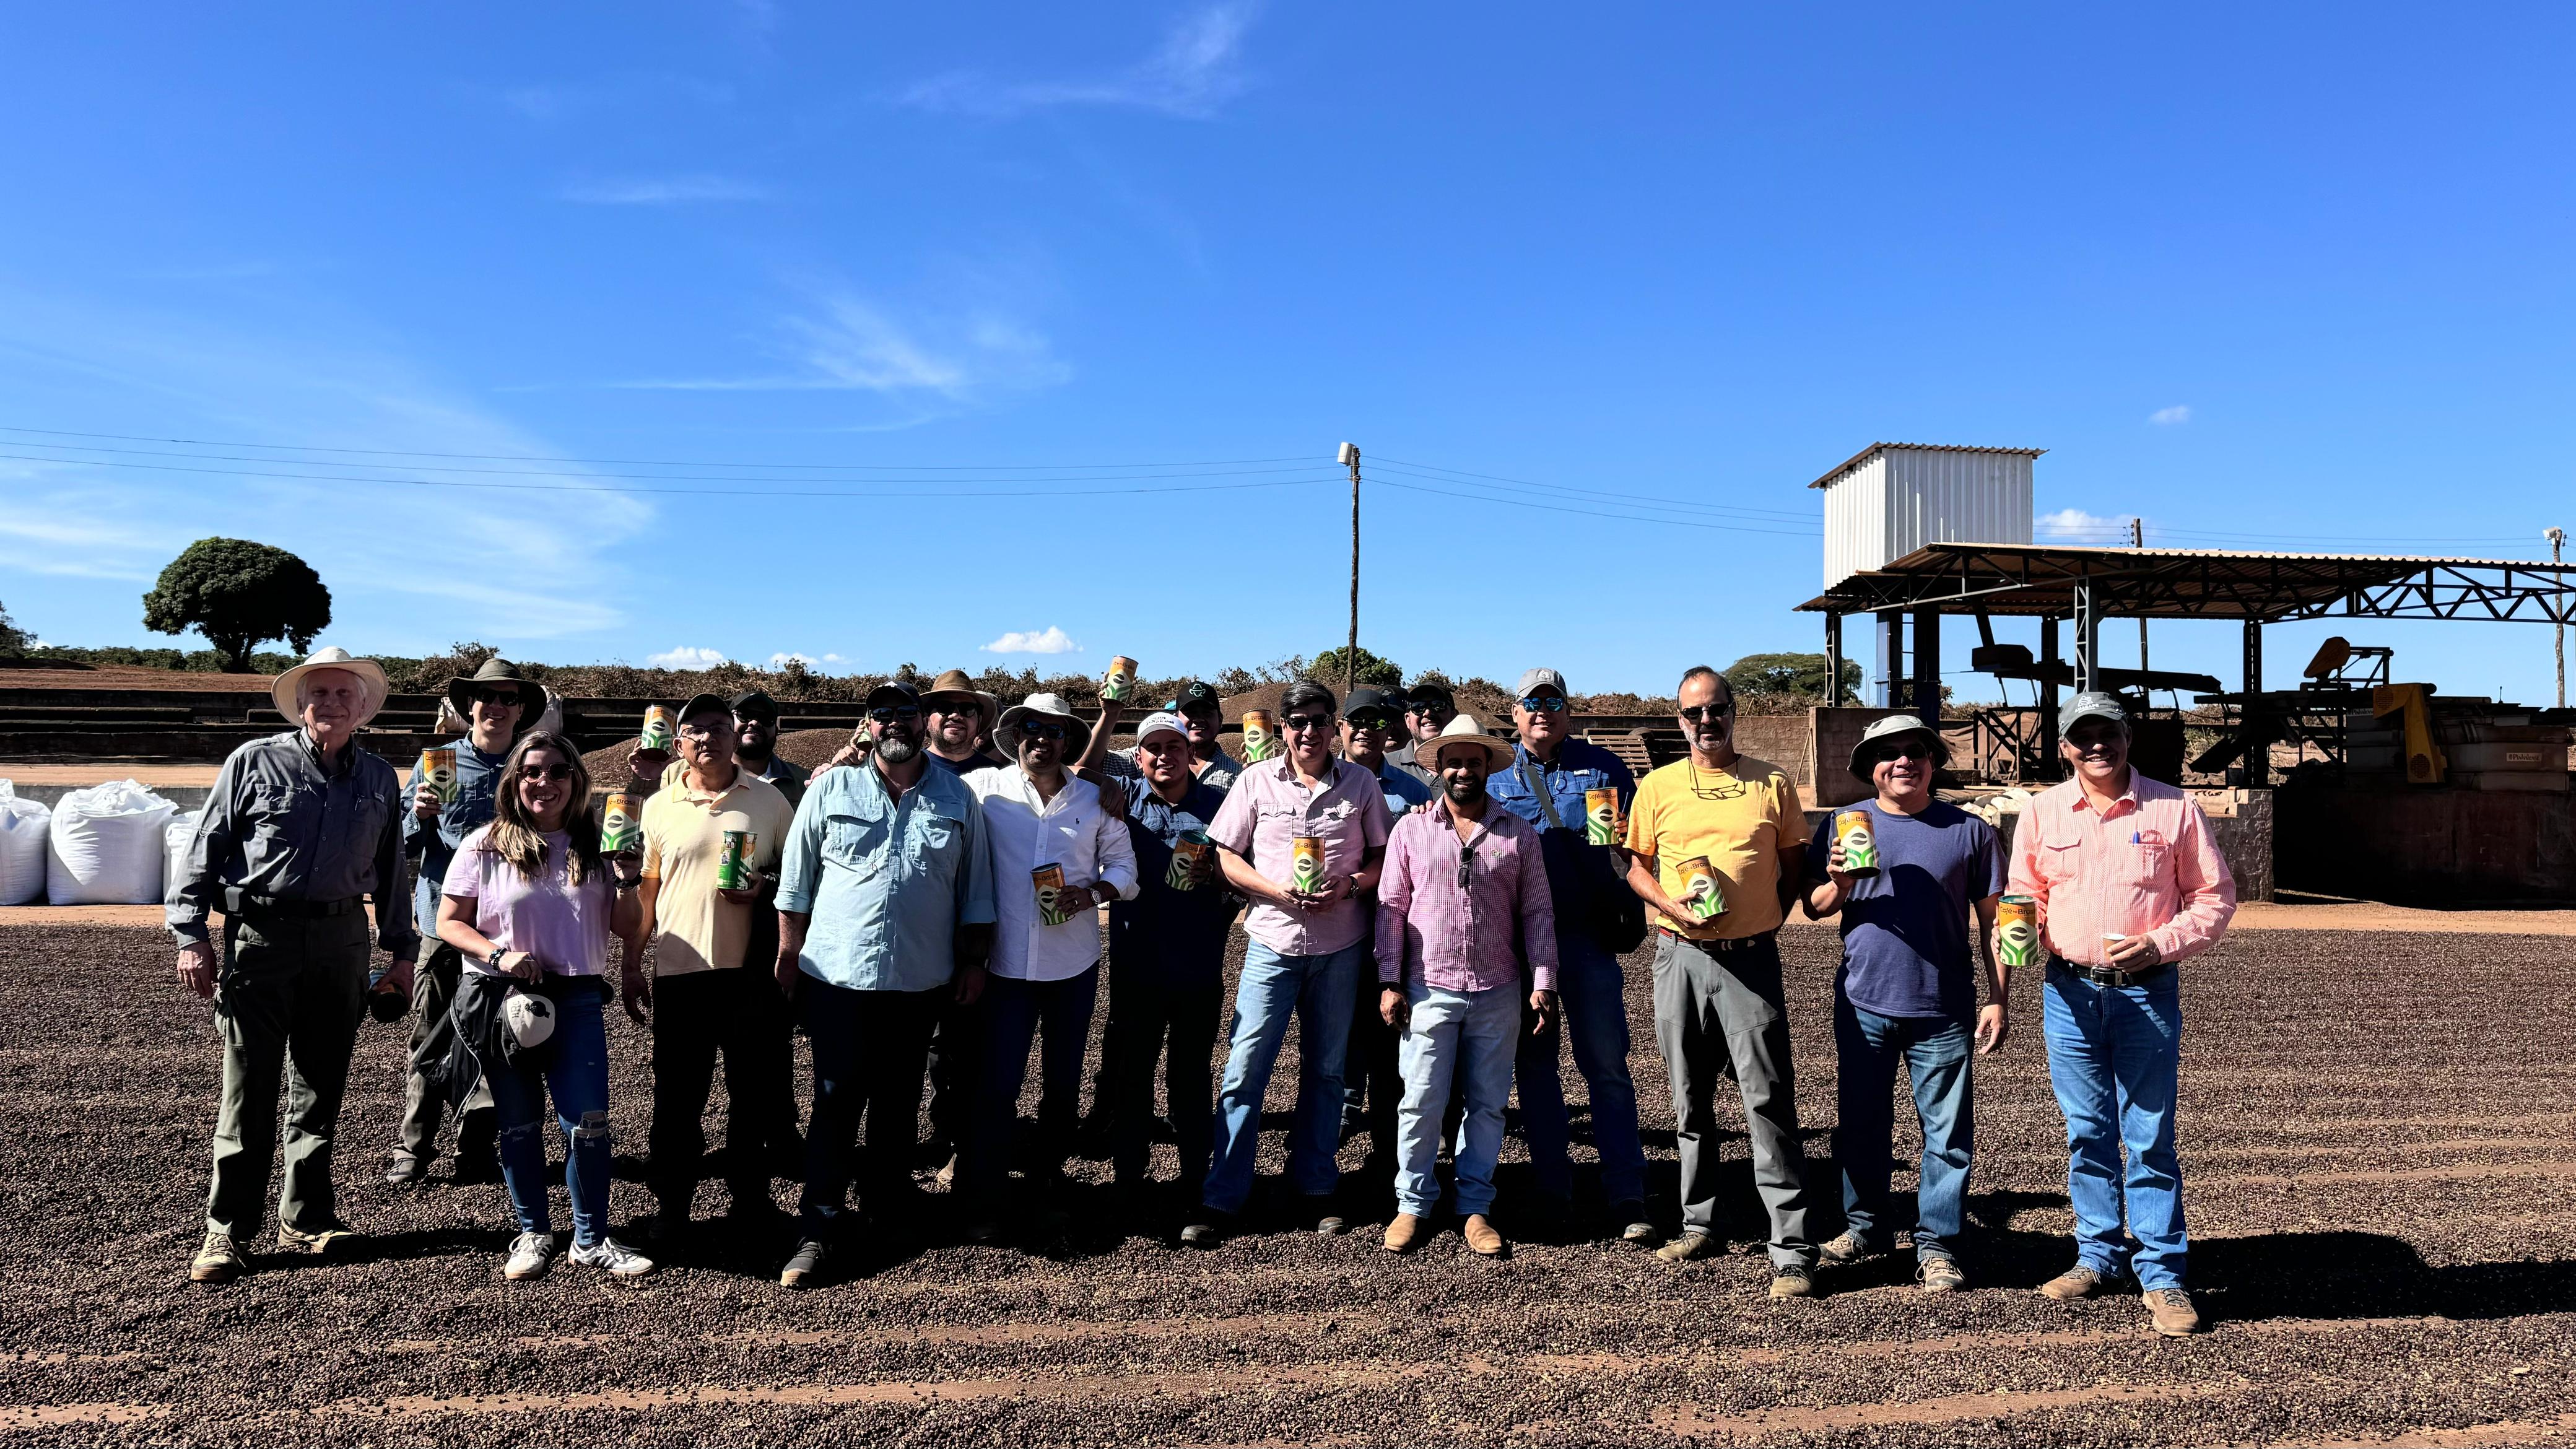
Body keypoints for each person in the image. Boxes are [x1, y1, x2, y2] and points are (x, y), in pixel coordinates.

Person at [169, 648, 419, 1285]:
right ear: (300, 704)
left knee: (320, 1087)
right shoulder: (253, 761)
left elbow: (392, 868)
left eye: (343, 694)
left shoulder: (379, 779)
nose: (331, 703)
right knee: (247, 1088)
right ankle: (227, 1231)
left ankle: (307, 1219)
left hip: (343, 939)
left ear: (362, 707)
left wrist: (402, 952)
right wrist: (191, 935)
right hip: (261, 937)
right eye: (320, 693)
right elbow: (206, 847)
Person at [2011, 691, 2237, 1337]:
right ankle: (2098, 1256)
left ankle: (2162, 1274)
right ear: (2063, 747)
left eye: (2107, 733)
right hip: (2068, 992)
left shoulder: (2174, 807)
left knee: (2148, 1136)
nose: (2096, 746)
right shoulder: (2041, 812)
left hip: (2145, 993)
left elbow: (2213, 898)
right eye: (2081, 736)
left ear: (2127, 737)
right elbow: (2025, 894)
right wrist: (2021, 939)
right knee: (2086, 1131)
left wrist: (2159, 943)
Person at [773, 680, 995, 1289]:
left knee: (897, 1104)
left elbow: (975, 890)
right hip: (837, 977)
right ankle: (818, 1227)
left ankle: (885, 1211)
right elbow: (795, 882)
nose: (894, 722)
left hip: (919, 981)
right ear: (867, 725)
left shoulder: (956, 797)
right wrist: (787, 953)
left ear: (922, 722)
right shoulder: (829, 790)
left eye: (905, 712)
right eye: (881, 713)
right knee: (835, 1100)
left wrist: (974, 961)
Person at [1622, 664, 1820, 1297]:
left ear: (1734, 712)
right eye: (1694, 712)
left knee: (1767, 1100)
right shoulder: (1656, 786)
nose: (1706, 721)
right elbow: (1635, 866)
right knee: (1689, 1099)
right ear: (1679, 719)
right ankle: (1699, 1222)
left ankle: (1791, 1247)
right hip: (1678, 956)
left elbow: (1792, 868)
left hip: (1749, 961)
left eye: (1716, 709)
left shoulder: (1771, 783)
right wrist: (1669, 907)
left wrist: (1761, 921)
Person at [435, 731, 656, 1281]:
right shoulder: (484, 845)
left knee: (588, 1123)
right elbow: (449, 923)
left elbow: (627, 928)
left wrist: (628, 878)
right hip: (505, 997)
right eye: (532, 771)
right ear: (514, 780)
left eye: (559, 771)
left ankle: (591, 1238)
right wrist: (498, 954)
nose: (544, 782)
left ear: (577, 780)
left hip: (577, 994)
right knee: (518, 1123)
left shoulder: (599, 845)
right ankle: (533, 1231)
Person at [1802, 714, 2008, 1294]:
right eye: (1887, 753)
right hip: (1863, 1001)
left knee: (1946, 1135)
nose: (1903, 762)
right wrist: (1841, 883)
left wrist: (1999, 998)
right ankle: (1865, 1228)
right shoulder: (1843, 824)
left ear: (1933, 761)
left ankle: (1938, 1245)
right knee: (1861, 1125)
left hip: (1943, 1007)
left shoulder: (1970, 832)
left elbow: (1995, 924)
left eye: (1915, 750)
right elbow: (1814, 906)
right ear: (1870, 767)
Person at [1193, 680, 1391, 1244]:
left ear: (1334, 727)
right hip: (1272, 943)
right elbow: (1225, 856)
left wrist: (1351, 886)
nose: (1309, 731)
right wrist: (1273, 890)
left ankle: (1315, 1185)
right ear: (1283, 728)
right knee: (1245, 1068)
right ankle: (1225, 1192)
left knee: (1327, 1072)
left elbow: (1383, 857)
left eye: (1320, 720)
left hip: (1340, 946)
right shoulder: (1255, 780)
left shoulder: (1361, 783)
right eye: (1298, 722)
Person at [1484, 668, 1653, 1245]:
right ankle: (1553, 1187)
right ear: (1515, 713)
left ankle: (1627, 1190)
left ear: (1568, 712)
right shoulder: (1495, 772)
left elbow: (1640, 844)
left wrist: (1628, 844)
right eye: (1532, 703)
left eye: (1553, 703)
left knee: (1606, 1066)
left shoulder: (1604, 768)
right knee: (1536, 1069)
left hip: (1588, 938)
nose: (1542, 712)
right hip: (1521, 945)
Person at [1377, 716, 1557, 1258]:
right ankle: (1412, 1203)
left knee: (1488, 1105)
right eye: (1453, 762)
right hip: (1427, 987)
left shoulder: (1518, 833)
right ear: (1438, 767)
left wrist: (1544, 981)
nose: (1463, 771)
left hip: (1497, 988)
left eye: (1473, 763)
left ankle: (1475, 1205)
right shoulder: (1410, 830)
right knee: (1421, 1101)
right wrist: (1389, 981)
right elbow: (1391, 909)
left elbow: (1537, 912)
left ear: (1487, 768)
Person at [624, 692, 799, 1247]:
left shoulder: (769, 799)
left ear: (734, 735)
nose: (708, 737)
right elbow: (647, 893)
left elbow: (797, 879)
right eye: (696, 730)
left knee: (754, 1096)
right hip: (681, 973)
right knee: (678, 1098)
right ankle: (673, 1205)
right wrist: (631, 961)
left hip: (751, 974)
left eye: (719, 727)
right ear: (678, 744)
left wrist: (764, 888)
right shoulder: (658, 807)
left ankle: (751, 1200)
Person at [960, 694, 1138, 1235]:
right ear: (1016, 735)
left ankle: (1046, 1184)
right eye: (1032, 727)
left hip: (1072, 966)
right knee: (997, 1085)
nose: (1042, 738)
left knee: (1062, 1084)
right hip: (1005, 965)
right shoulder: (983, 790)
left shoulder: (1094, 798)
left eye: (1055, 730)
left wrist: (1094, 894)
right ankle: (986, 1196)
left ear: (1068, 741)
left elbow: (1125, 867)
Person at [387, 657, 543, 1187]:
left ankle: (475, 1148)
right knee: (431, 1036)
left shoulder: (532, 768)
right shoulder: (440, 763)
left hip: (506, 932)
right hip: (443, 922)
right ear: (469, 706)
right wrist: (417, 816)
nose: (496, 706)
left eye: (507, 698)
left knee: (499, 1039)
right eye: (486, 697)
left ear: (520, 710)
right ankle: (413, 1148)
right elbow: (400, 845)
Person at [1098, 712, 1233, 1225]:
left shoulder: (1220, 806)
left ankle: (1195, 1179)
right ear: (1138, 758)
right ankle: (1129, 1179)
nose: (1163, 756)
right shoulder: (1121, 800)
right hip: (1136, 966)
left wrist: (1216, 877)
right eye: (1152, 748)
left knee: (1191, 1076)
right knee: (1132, 1075)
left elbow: (1246, 872)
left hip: (1198, 965)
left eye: (1173, 747)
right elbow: (1074, 771)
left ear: (1190, 753)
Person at [1334, 685, 1435, 1174]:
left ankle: (1387, 1156)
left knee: (1389, 1044)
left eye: (1376, 723)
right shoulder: (1321, 782)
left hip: (1395, 932)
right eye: (1357, 721)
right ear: (1341, 728)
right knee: (1334, 1039)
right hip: (1336, 931)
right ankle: (1324, 1152)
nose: (1366, 731)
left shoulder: (1414, 792)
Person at [732, 689, 811, 809]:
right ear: (728, 722)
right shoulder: (706, 777)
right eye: (745, 715)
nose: (755, 723)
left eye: (766, 718)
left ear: (776, 731)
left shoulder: (804, 781)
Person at [1394, 681, 1458, 790]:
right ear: (1408, 720)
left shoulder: (1474, 765)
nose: (1428, 713)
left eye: (1438, 705)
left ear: (1454, 716)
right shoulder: (1385, 765)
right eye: (1418, 707)